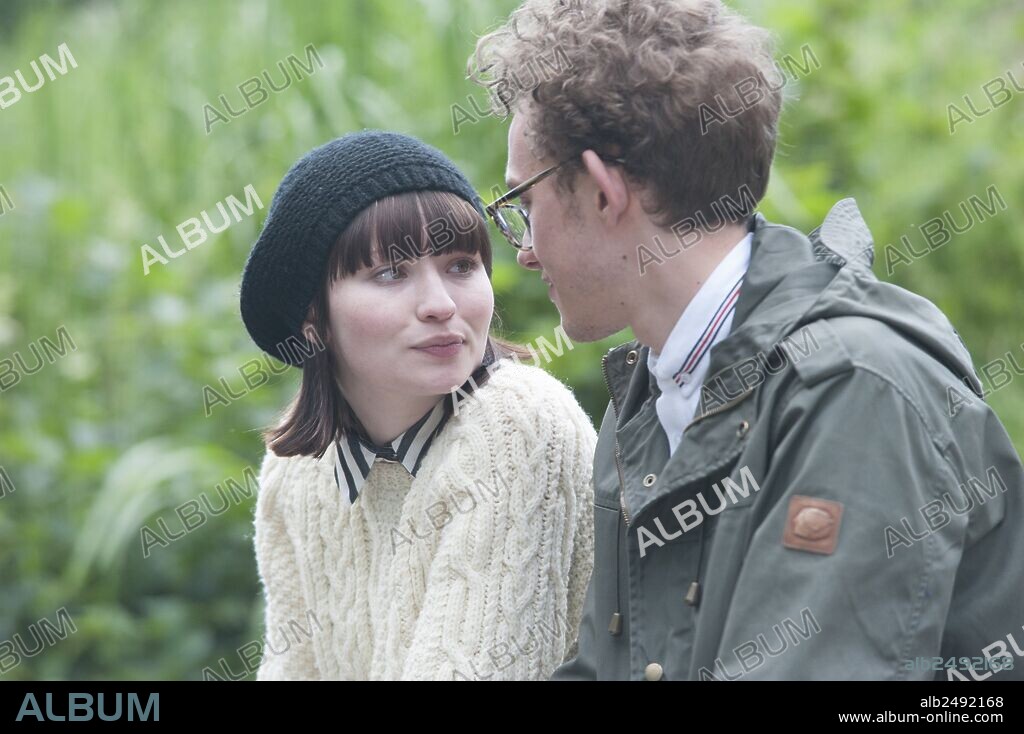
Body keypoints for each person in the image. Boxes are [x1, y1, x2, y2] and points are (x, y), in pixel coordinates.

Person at [468, 0, 1024, 680]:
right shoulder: (643, 399)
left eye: (524, 205)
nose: (522, 252)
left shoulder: (855, 389)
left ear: (605, 192)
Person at [238, 131, 597, 680]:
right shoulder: (297, 470)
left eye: (460, 265)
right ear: (313, 320)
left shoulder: (519, 425)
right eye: (390, 273)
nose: (440, 304)